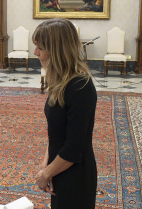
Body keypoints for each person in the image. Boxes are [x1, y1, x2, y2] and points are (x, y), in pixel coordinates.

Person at [33, 19, 97, 208]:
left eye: (40, 47)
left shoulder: (79, 86)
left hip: (75, 175)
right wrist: (48, 165)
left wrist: (45, 175)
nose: (35, 52)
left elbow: (73, 148)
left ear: (57, 50)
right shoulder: (60, 80)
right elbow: (56, 131)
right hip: (59, 168)